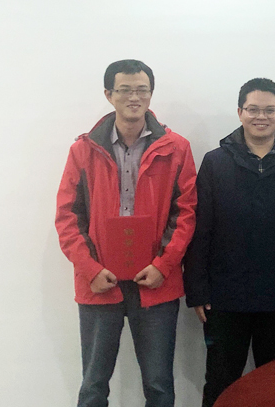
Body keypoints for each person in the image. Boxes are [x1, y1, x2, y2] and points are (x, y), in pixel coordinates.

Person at [55, 59, 197, 407]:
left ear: (151, 94)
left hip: (156, 281)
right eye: (125, 90)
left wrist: (163, 265)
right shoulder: (83, 150)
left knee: (159, 385)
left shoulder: (176, 148)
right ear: (109, 94)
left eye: (142, 90)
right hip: (99, 281)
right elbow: (67, 217)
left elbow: (186, 213)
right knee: (93, 385)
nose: (134, 97)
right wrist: (90, 269)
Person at [183, 78, 275, 407]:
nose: (261, 116)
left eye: (269, 110)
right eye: (253, 109)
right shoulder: (215, 163)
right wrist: (197, 289)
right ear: (239, 112)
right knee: (220, 383)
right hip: (224, 297)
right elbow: (200, 230)